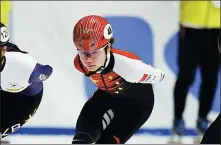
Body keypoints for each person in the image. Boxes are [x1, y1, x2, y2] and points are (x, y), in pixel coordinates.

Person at [71, 15, 165, 144]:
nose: (88, 59)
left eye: (94, 52)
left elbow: (159, 76)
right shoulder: (79, 64)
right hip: (107, 96)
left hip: (137, 107)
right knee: (81, 140)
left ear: (108, 47)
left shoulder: (128, 67)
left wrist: (147, 73)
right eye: (82, 52)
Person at [171, 1, 220, 142]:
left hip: (216, 25)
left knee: (210, 77)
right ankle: (177, 121)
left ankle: (203, 120)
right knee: (185, 76)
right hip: (191, 23)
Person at [0, 22, 53, 139]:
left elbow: (47, 71)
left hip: (22, 101)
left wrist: (36, 76)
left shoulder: (23, 65)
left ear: (4, 50)